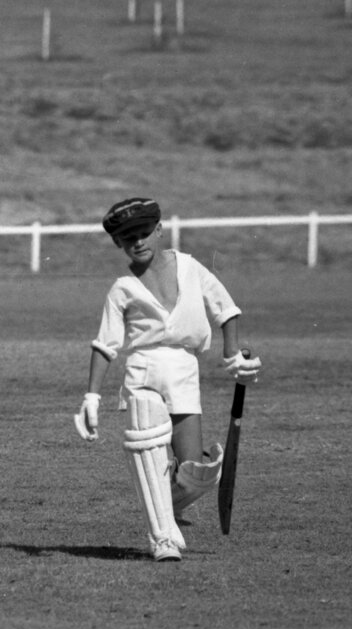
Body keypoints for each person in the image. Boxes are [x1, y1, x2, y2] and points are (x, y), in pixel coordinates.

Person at [76, 197, 262, 562]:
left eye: (144, 233)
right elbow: (106, 344)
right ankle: (163, 538)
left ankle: (160, 502)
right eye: (129, 238)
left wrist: (231, 354)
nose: (138, 242)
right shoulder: (122, 288)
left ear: (159, 230)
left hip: (183, 369)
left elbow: (226, 308)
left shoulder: (190, 268)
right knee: (147, 447)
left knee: (198, 473)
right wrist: (91, 398)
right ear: (119, 244)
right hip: (143, 371)